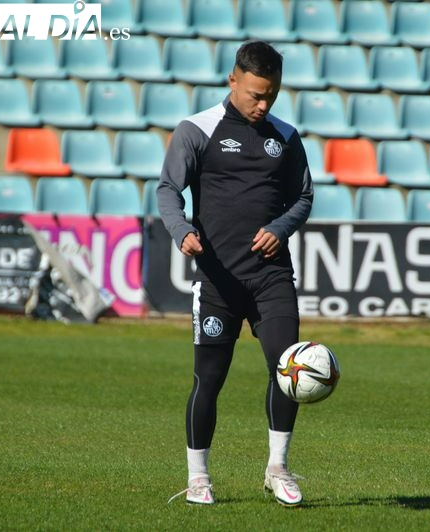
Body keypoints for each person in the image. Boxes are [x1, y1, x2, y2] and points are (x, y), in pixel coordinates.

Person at [158, 41, 313, 507]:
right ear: (233, 79)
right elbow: (168, 188)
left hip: (271, 277)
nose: (262, 104)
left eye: (271, 95)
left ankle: (277, 469)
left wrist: (281, 228)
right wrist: (180, 229)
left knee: (289, 370)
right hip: (218, 280)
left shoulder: (285, 137)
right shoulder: (197, 129)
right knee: (210, 378)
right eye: (254, 94)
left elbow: (303, 198)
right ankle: (198, 477)